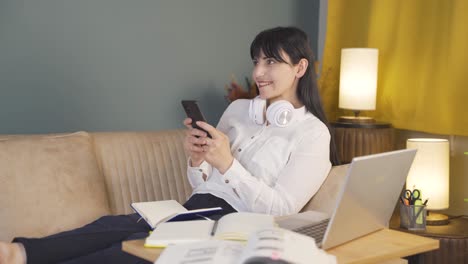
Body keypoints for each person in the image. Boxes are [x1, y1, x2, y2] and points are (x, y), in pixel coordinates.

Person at [0, 26, 339, 264]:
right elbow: (202, 184)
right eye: (256, 61)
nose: (260, 72)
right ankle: (17, 254)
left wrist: (226, 164)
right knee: (109, 226)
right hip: (195, 207)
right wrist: (197, 161)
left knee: (129, 250)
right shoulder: (239, 110)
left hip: (238, 224)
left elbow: (282, 209)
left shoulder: (312, 133)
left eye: (271, 62)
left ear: (300, 67)